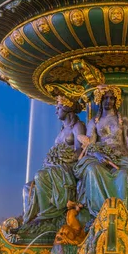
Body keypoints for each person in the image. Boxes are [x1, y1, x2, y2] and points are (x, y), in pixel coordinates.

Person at [74, 85, 128, 223]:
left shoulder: (122, 120)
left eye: (112, 98)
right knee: (91, 170)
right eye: (106, 98)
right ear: (100, 100)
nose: (109, 101)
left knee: (124, 175)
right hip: (100, 156)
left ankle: (123, 218)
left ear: (116, 101)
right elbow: (90, 145)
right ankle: (99, 216)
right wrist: (99, 155)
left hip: (121, 157)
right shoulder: (94, 122)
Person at [22, 96, 86, 224]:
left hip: (68, 168)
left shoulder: (77, 126)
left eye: (58, 108)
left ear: (67, 108)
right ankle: (28, 221)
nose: (56, 111)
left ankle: (47, 218)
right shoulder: (62, 129)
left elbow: (81, 152)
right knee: (27, 187)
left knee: (40, 176)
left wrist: (61, 159)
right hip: (56, 167)